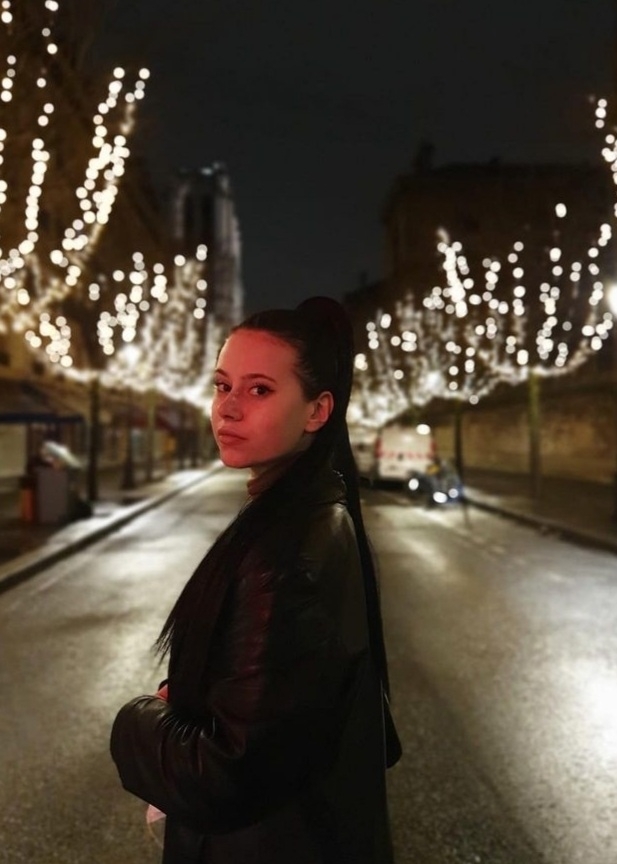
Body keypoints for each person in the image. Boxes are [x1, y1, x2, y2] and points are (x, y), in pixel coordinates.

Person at [110, 296, 401, 864]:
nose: (228, 408)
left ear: (317, 412)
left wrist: (134, 721)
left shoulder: (288, 554)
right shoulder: (306, 515)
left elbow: (225, 773)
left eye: (259, 390)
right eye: (222, 386)